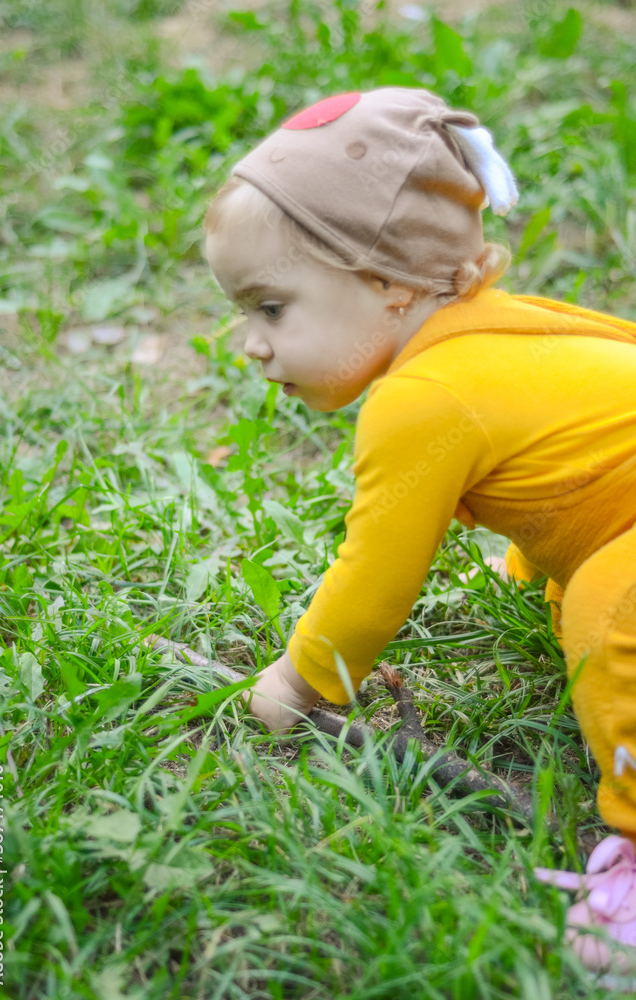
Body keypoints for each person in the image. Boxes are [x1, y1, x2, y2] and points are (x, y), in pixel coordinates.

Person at [203, 87, 636, 987]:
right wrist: (541, 551)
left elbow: (376, 577)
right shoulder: (492, 330)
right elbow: (587, 447)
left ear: (390, 285)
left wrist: (302, 679)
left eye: (271, 307)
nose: (250, 343)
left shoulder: (419, 397)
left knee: (611, 612)